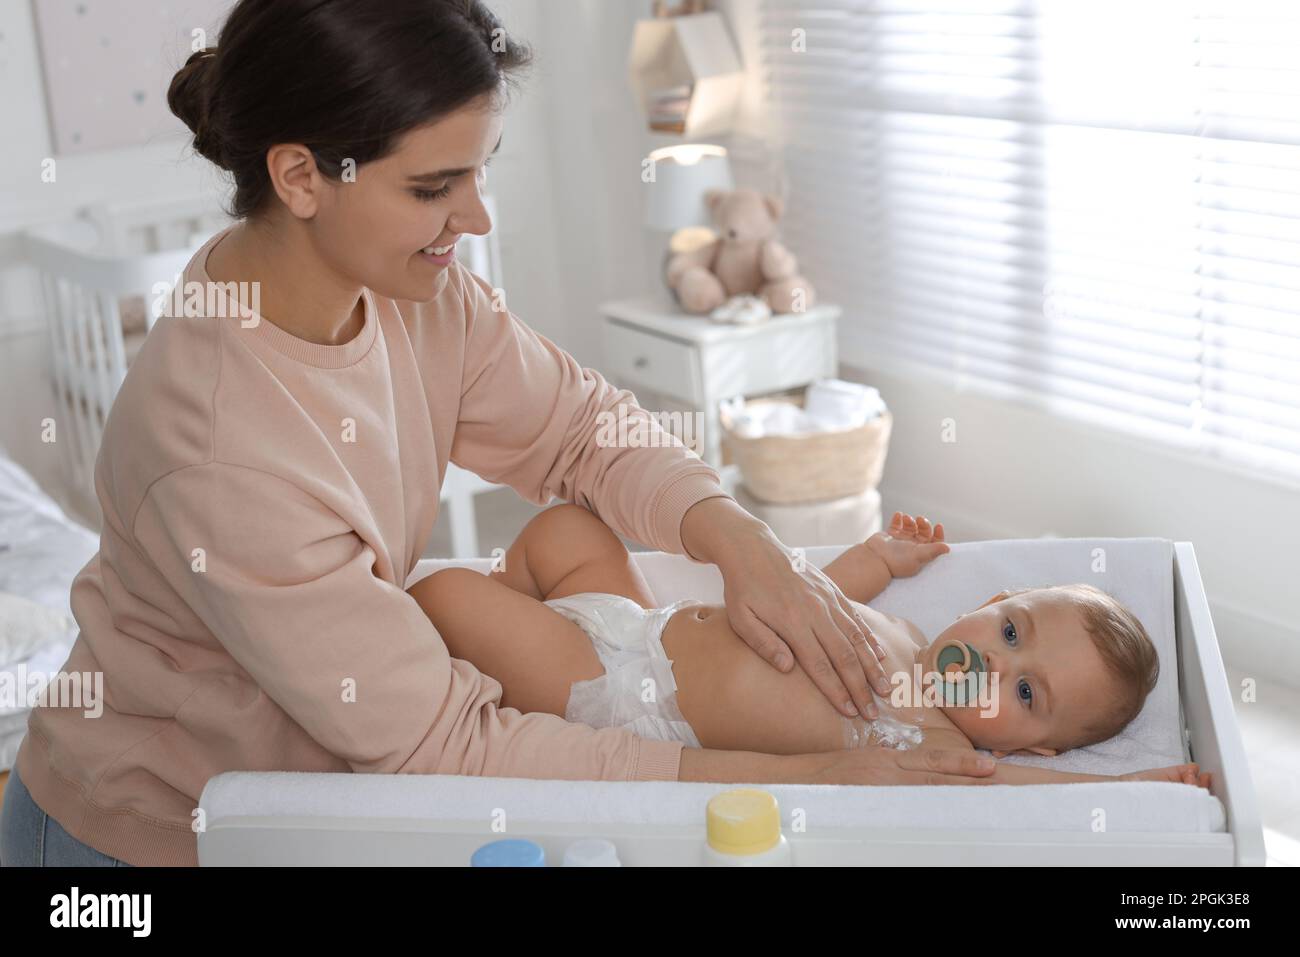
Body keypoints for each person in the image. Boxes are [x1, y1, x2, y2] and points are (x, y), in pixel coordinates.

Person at [1, 0, 991, 868]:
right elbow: (449, 745)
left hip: (315, 769)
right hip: (147, 832)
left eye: (478, 175)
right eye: (433, 189)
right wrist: (805, 778)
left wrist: (737, 540)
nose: (472, 218)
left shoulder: (409, 294)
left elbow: (583, 430)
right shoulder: (219, 450)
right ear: (301, 177)